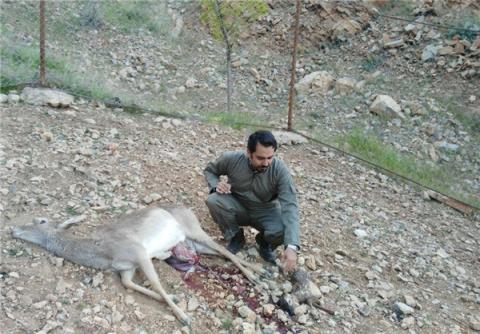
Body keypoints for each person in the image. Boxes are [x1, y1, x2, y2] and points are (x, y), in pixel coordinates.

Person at [204, 130, 300, 273]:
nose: (266, 163)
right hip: (237, 204)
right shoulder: (232, 159)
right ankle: (235, 236)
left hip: (265, 210)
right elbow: (210, 170)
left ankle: (264, 242)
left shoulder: (280, 171)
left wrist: (291, 246)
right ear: (249, 152)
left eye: (270, 157)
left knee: (283, 229)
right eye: (260, 158)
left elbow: (290, 206)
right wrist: (215, 184)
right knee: (213, 200)